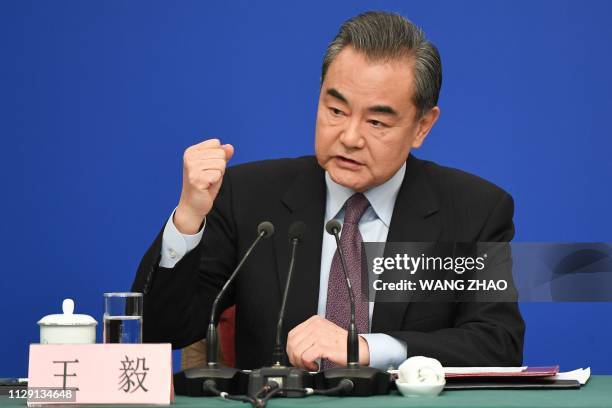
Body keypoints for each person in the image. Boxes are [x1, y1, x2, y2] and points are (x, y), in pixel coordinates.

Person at [132, 11, 524, 371]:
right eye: (335, 111)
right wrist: (188, 217)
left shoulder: (474, 211)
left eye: (377, 122)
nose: (349, 137)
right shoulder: (248, 197)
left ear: (422, 126)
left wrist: (368, 348)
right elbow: (160, 333)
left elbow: (498, 343)